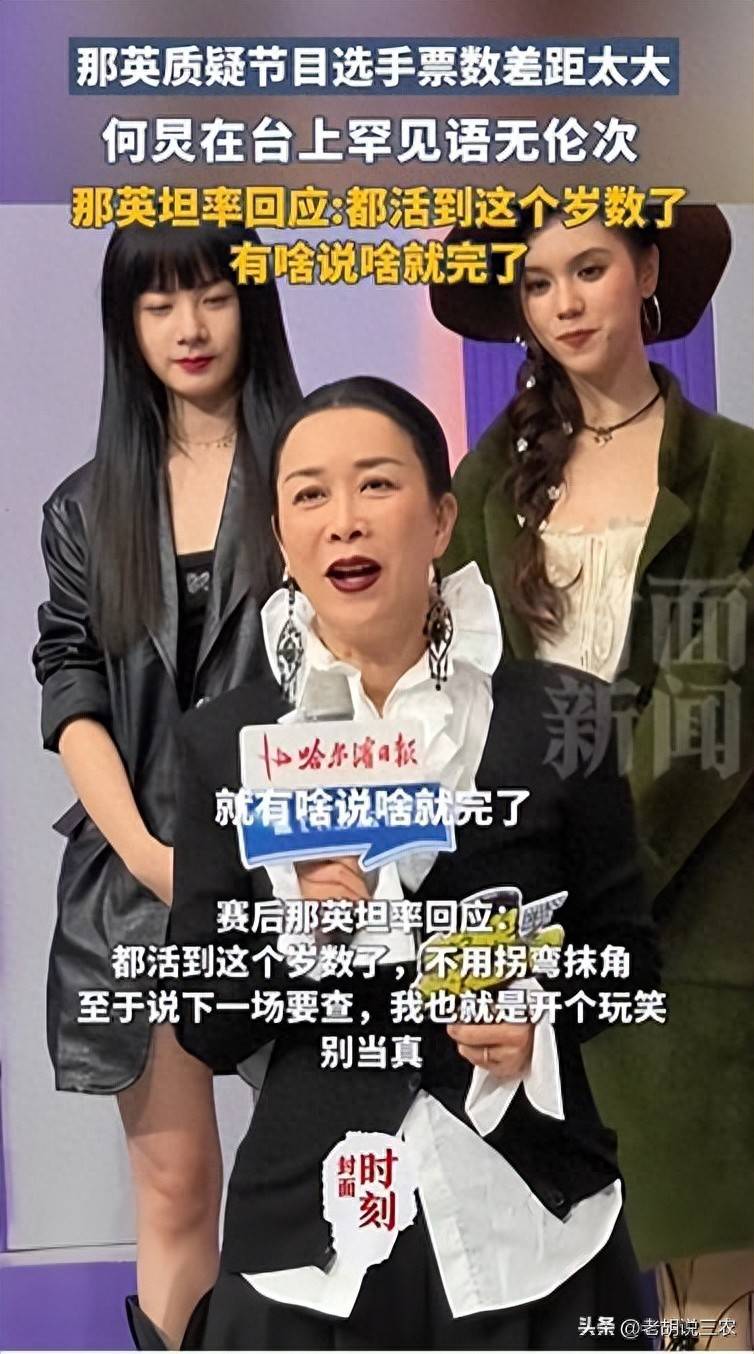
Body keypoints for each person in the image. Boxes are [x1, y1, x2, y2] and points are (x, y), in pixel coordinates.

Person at [166, 376, 660, 1350]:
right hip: (313, 1233)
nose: (344, 520)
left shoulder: (560, 719)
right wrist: (299, 939)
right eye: (310, 494)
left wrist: (534, 1016)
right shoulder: (228, 742)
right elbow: (207, 1020)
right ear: (282, 537)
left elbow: (629, 965)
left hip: (534, 1218)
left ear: (438, 520)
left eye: (376, 484)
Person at [433, 206, 754, 1338]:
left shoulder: (735, 472)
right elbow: (456, 694)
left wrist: (595, 873)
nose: (564, 303)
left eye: (589, 269)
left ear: (647, 270)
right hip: (525, 933)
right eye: (537, 282)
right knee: (552, 1293)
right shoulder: (486, 480)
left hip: (694, 926)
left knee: (706, 1303)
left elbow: (716, 701)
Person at [32, 221, 301, 1348]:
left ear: (254, 306)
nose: (189, 326)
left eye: (213, 295)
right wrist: (153, 856)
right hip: (137, 890)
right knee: (178, 1191)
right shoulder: (85, 508)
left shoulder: (314, 473)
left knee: (330, 1179)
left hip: (303, 881)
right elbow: (71, 689)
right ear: (126, 325)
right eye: (159, 304)